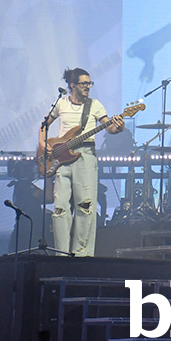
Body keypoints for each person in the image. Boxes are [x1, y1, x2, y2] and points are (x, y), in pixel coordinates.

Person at [40, 68, 124, 257]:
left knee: (85, 206)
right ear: (73, 85)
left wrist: (118, 127)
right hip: (61, 157)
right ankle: (61, 254)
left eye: (89, 83)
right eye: (84, 83)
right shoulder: (61, 103)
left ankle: (82, 254)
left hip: (85, 154)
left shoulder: (95, 105)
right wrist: (43, 144)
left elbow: (109, 127)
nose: (88, 86)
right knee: (60, 207)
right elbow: (44, 125)